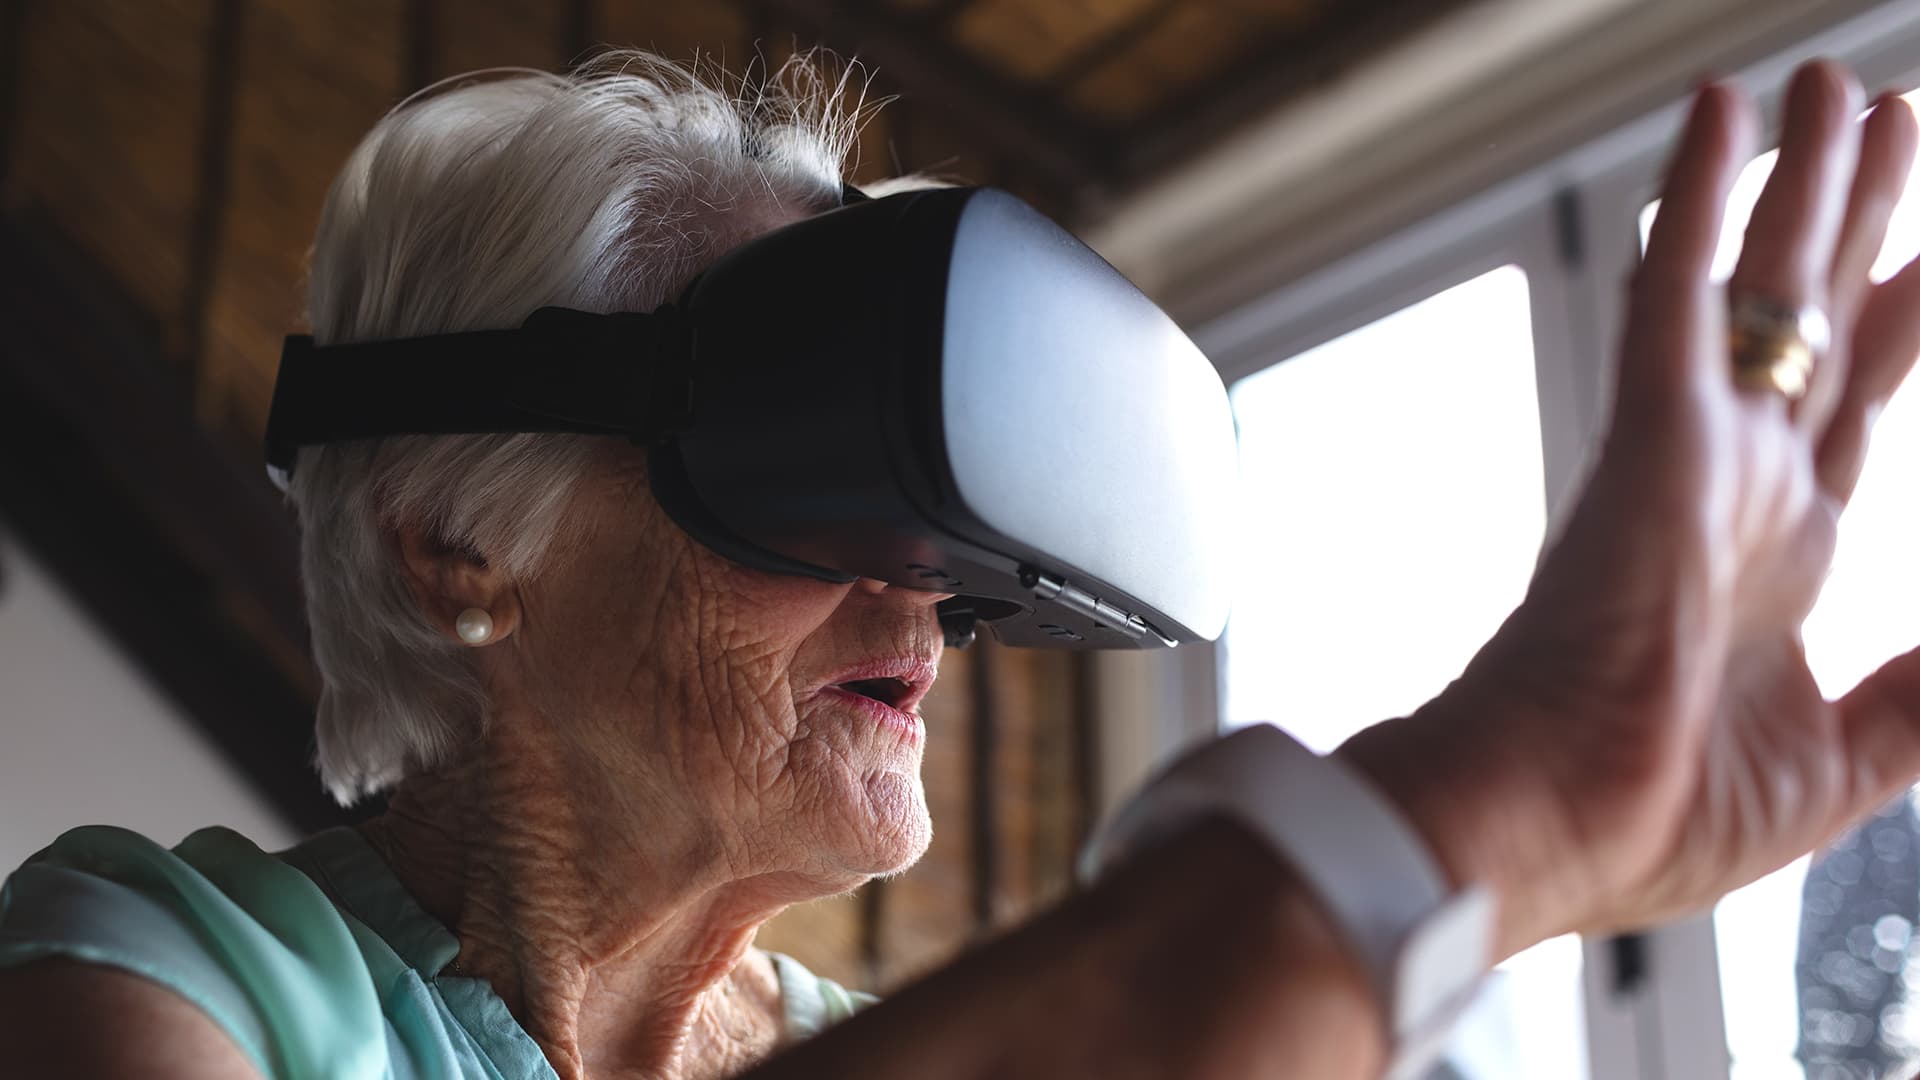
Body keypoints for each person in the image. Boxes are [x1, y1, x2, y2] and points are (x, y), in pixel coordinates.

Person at [1, 46, 1918, 1080]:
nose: (924, 594)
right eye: (819, 467)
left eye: (954, 506)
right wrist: (1477, 809)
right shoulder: (158, 985)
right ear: (455, 550)